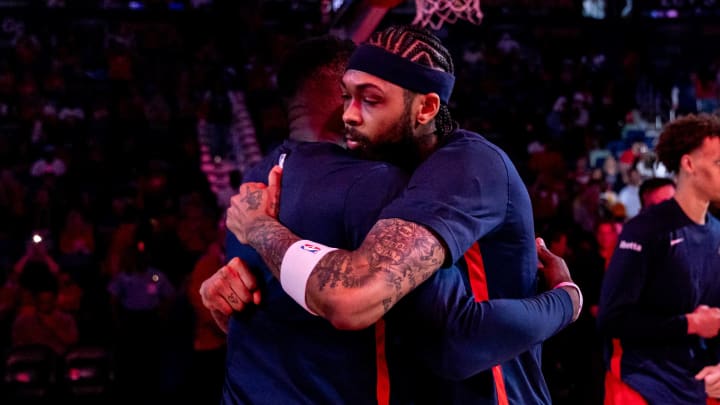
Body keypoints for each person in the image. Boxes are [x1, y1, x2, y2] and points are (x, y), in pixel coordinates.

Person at [220, 25, 580, 404]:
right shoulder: (379, 170)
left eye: (370, 100)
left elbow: (453, 342)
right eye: (346, 97)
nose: (349, 115)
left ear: (425, 108)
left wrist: (567, 301)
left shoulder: (467, 168)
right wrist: (235, 279)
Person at [597, 113, 720, 404]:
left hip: (700, 385)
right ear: (688, 164)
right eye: (718, 163)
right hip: (644, 386)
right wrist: (689, 323)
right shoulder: (644, 230)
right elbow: (612, 320)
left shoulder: (717, 233)